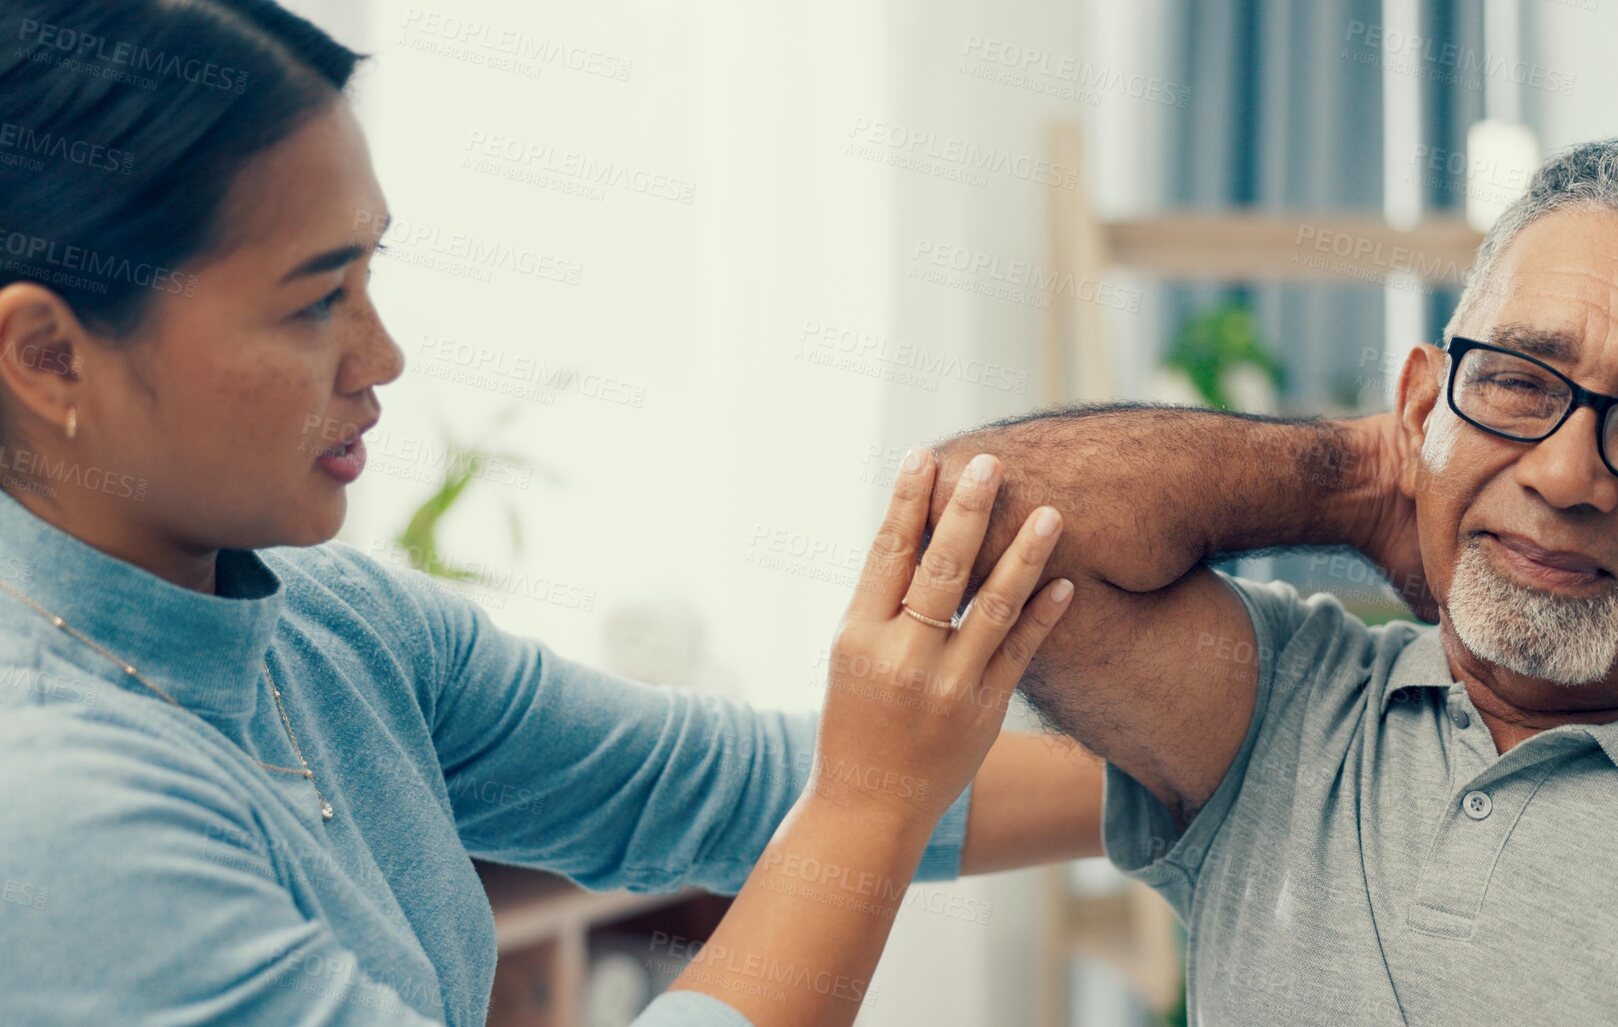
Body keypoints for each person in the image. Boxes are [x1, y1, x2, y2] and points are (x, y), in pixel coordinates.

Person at [0, 3, 1099, 1025]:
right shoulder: (53, 810)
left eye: (369, 273)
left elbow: (705, 785)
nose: (381, 357)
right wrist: (871, 802)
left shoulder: (330, 623)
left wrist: (1207, 759)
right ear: (49, 357)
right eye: (314, 301)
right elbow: (843, 790)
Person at [919, 139, 1618, 1024]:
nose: (1564, 474)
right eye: (1512, 382)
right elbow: (984, 514)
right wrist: (1364, 478)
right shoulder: (1282, 708)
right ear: (1420, 412)